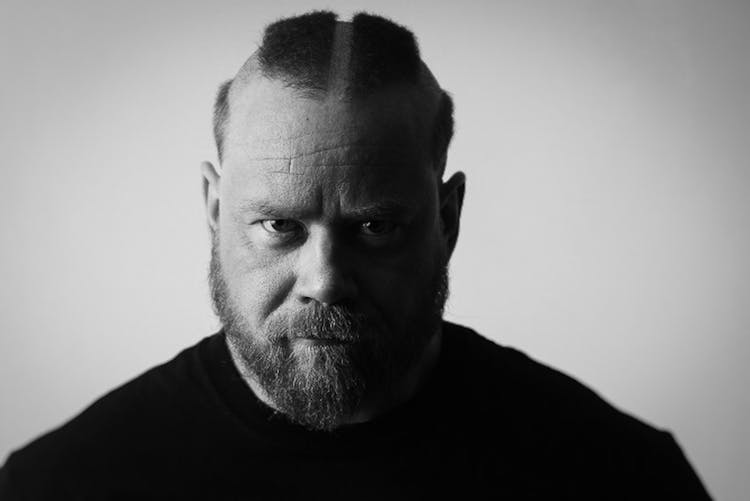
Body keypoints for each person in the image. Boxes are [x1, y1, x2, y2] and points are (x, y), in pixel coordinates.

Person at [0, 10, 711, 499]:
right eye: (279, 224)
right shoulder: (60, 483)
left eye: (374, 228)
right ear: (215, 211)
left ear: (448, 218)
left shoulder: (618, 473)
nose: (324, 280)